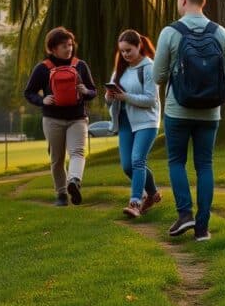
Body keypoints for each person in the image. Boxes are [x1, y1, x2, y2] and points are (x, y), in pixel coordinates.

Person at [153, 0, 225, 241]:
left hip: (177, 110)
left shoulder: (171, 32)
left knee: (176, 162)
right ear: (204, 0)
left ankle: (185, 214)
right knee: (205, 165)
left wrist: (179, 79)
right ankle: (202, 229)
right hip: (210, 113)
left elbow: (158, 76)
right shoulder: (220, 32)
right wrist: (209, 87)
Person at [24, 27, 97, 206]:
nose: (69, 49)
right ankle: (61, 194)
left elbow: (93, 91)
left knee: (77, 152)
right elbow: (29, 92)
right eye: (64, 46)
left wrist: (85, 91)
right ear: (53, 48)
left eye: (70, 45)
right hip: (52, 119)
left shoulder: (80, 65)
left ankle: (74, 181)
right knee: (56, 158)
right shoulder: (42, 68)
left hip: (77, 118)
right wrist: (43, 100)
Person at [106, 29, 162, 218]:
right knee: (128, 166)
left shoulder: (149, 68)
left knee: (138, 160)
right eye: (122, 51)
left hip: (146, 121)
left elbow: (150, 100)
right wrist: (109, 96)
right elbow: (111, 100)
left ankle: (136, 202)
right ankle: (153, 194)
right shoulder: (119, 70)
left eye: (129, 50)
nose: (125, 54)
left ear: (140, 46)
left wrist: (125, 96)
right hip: (125, 122)